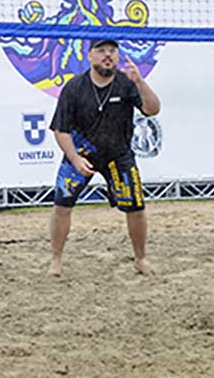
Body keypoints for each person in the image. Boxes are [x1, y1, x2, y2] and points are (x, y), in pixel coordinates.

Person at [48, 38, 161, 277]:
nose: (107, 55)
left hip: (118, 154)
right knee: (62, 205)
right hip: (82, 153)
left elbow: (153, 109)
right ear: (89, 56)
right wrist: (75, 159)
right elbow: (61, 131)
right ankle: (56, 260)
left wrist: (141, 82)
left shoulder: (127, 84)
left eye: (112, 51)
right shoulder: (75, 87)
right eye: (101, 51)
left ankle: (140, 258)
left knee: (136, 208)